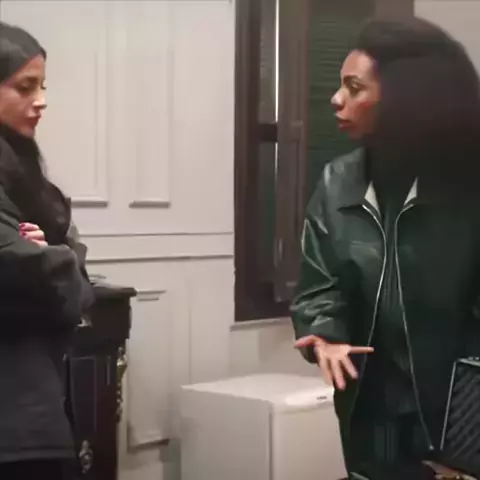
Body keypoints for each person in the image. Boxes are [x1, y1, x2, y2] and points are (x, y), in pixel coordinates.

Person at [291, 16, 480, 474]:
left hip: (459, 406)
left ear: (406, 96)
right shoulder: (337, 181)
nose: (336, 99)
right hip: (372, 408)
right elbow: (320, 284)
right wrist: (325, 334)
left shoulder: (469, 184)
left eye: (354, 88)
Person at [0, 22, 94, 479]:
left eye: (42, 86)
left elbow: (77, 285)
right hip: (15, 422)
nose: (41, 101)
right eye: (25, 87)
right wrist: (62, 261)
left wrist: (58, 259)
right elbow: (18, 264)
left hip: (36, 404)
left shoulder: (26, 171)